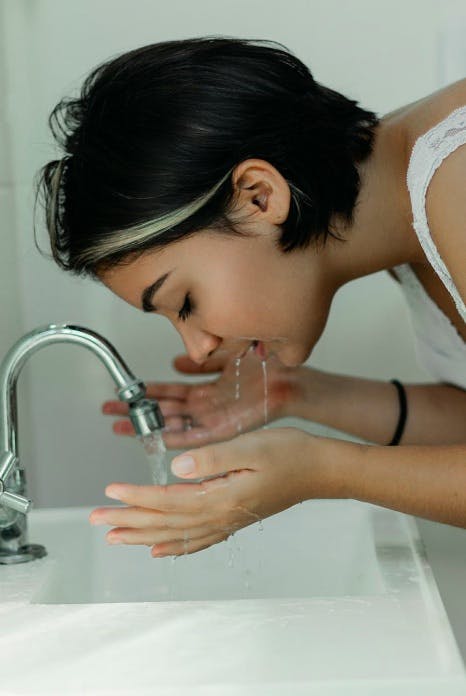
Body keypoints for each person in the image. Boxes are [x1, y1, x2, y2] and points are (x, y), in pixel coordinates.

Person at [35, 37, 466, 558]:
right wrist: (296, 394)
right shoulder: (404, 209)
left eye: (186, 302)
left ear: (260, 196)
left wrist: (324, 470)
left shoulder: (457, 178)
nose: (199, 348)